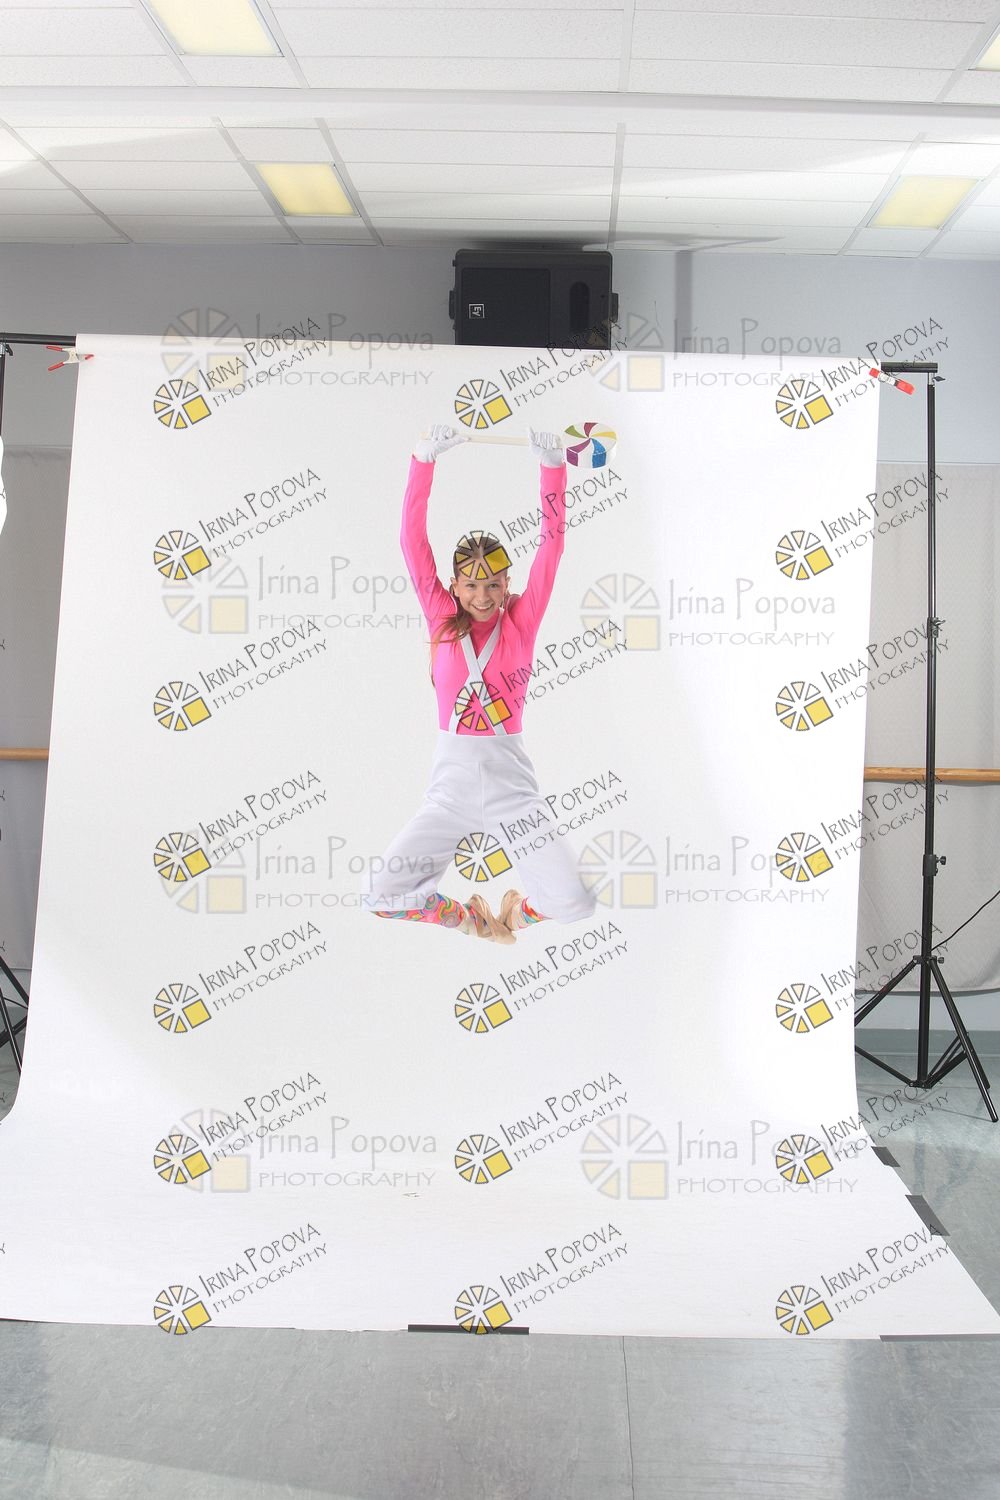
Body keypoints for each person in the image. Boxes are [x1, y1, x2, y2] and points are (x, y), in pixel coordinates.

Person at [360, 422, 598, 943]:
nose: (483, 596)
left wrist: (552, 470)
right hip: (450, 792)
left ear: (508, 583)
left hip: (513, 791)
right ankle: (466, 917)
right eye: (471, 585)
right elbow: (411, 540)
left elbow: (552, 548)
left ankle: (516, 913)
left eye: (493, 584)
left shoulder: (522, 622)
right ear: (453, 585)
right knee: (380, 895)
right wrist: (423, 461)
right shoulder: (440, 617)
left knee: (575, 901)